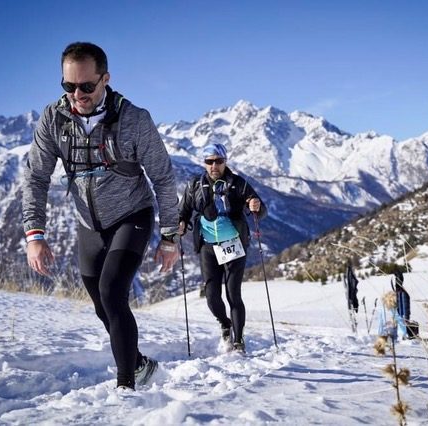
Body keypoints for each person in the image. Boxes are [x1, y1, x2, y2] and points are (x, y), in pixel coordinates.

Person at [22, 42, 179, 390]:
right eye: (68, 86)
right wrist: (35, 234)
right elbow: (35, 177)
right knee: (100, 305)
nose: (77, 94)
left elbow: (164, 178)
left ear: (105, 79)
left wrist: (170, 237)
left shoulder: (135, 120)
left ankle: (126, 388)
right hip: (88, 224)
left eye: (86, 86)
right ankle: (138, 363)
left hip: (131, 214)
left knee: (112, 292)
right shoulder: (54, 118)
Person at [178, 143, 266, 353]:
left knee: (233, 293)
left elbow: (260, 209)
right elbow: (184, 211)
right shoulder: (194, 185)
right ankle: (225, 323)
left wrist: (256, 206)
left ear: (225, 162)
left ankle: (239, 340)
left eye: (218, 161)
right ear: (204, 163)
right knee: (211, 296)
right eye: (209, 161)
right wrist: (181, 223)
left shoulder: (238, 184)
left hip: (234, 245)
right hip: (208, 246)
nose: (214, 165)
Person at [343, 262, 360, 332]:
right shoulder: (350, 278)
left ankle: (354, 329)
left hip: (351, 300)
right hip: (350, 299)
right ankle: (353, 328)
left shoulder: (351, 279)